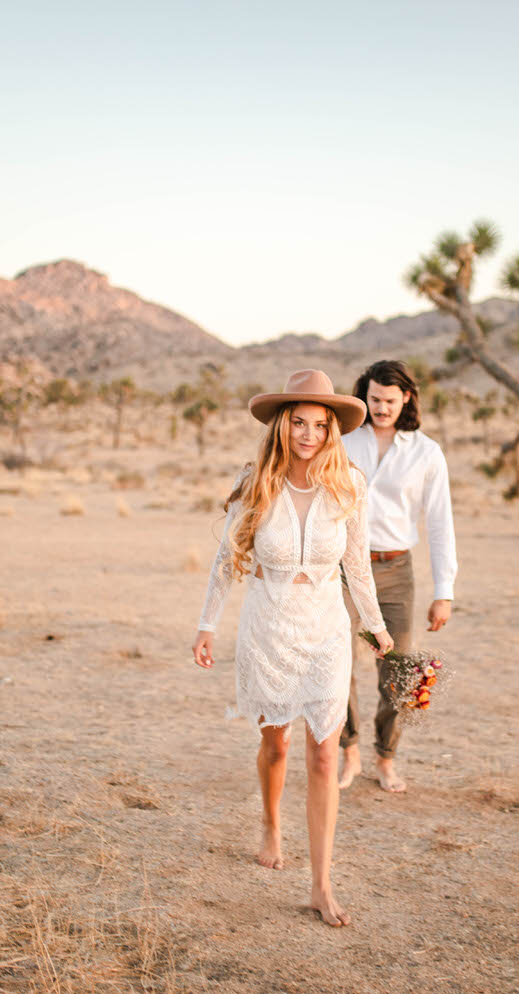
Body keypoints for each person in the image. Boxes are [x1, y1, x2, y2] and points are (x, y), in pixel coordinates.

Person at [193, 369, 393, 928]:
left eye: (319, 424)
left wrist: (375, 628)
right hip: (268, 623)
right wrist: (207, 624)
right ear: (283, 425)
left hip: (326, 627)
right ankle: (271, 823)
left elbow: (357, 565)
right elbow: (224, 560)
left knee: (325, 753)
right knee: (277, 747)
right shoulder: (255, 480)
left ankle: (321, 884)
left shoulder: (349, 483)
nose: (308, 433)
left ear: (332, 429)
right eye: (299, 422)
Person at [337, 359, 457, 794]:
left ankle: (386, 757)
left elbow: (440, 523)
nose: (381, 408)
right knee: (338, 666)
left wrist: (444, 591)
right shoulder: (345, 443)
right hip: (345, 568)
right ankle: (348, 751)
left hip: (396, 570)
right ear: (363, 397)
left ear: (406, 397)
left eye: (389, 400)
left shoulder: (426, 452)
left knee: (400, 669)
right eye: (373, 399)